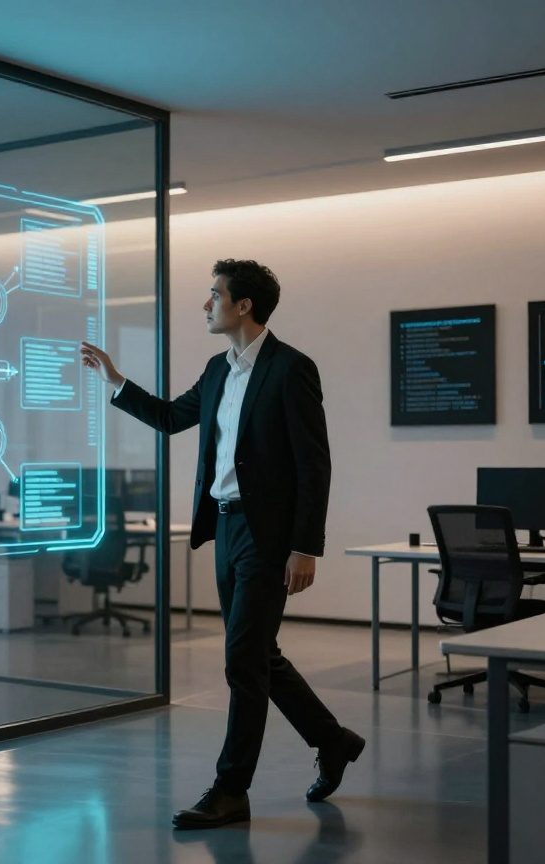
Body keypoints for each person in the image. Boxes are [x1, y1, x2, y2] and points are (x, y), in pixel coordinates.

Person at [80, 258, 364, 830]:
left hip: (268, 536)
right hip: (227, 529)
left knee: (242, 662)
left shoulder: (291, 368)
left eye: (215, 295)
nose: (206, 304)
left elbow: (314, 466)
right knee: (259, 654)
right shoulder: (217, 370)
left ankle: (231, 790)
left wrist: (306, 547)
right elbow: (169, 418)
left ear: (243, 305)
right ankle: (333, 740)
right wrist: (116, 381)